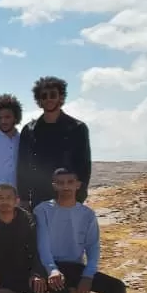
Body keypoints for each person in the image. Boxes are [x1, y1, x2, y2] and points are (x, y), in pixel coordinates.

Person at [35, 168, 125, 293]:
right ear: (54, 186)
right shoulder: (43, 210)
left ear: (78, 185)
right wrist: (52, 269)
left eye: (69, 182)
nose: (65, 187)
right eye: (60, 183)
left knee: (117, 288)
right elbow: (43, 244)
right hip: (51, 263)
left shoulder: (87, 215)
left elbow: (93, 247)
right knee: (58, 287)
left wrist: (88, 275)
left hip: (75, 266)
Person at [18, 77, 92, 209]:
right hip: (38, 195)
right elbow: (22, 165)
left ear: (61, 98)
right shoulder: (29, 130)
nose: (49, 99)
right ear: (39, 101)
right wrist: (23, 198)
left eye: (53, 95)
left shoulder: (77, 128)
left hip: (67, 193)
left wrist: (79, 196)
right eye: (44, 96)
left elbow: (84, 165)